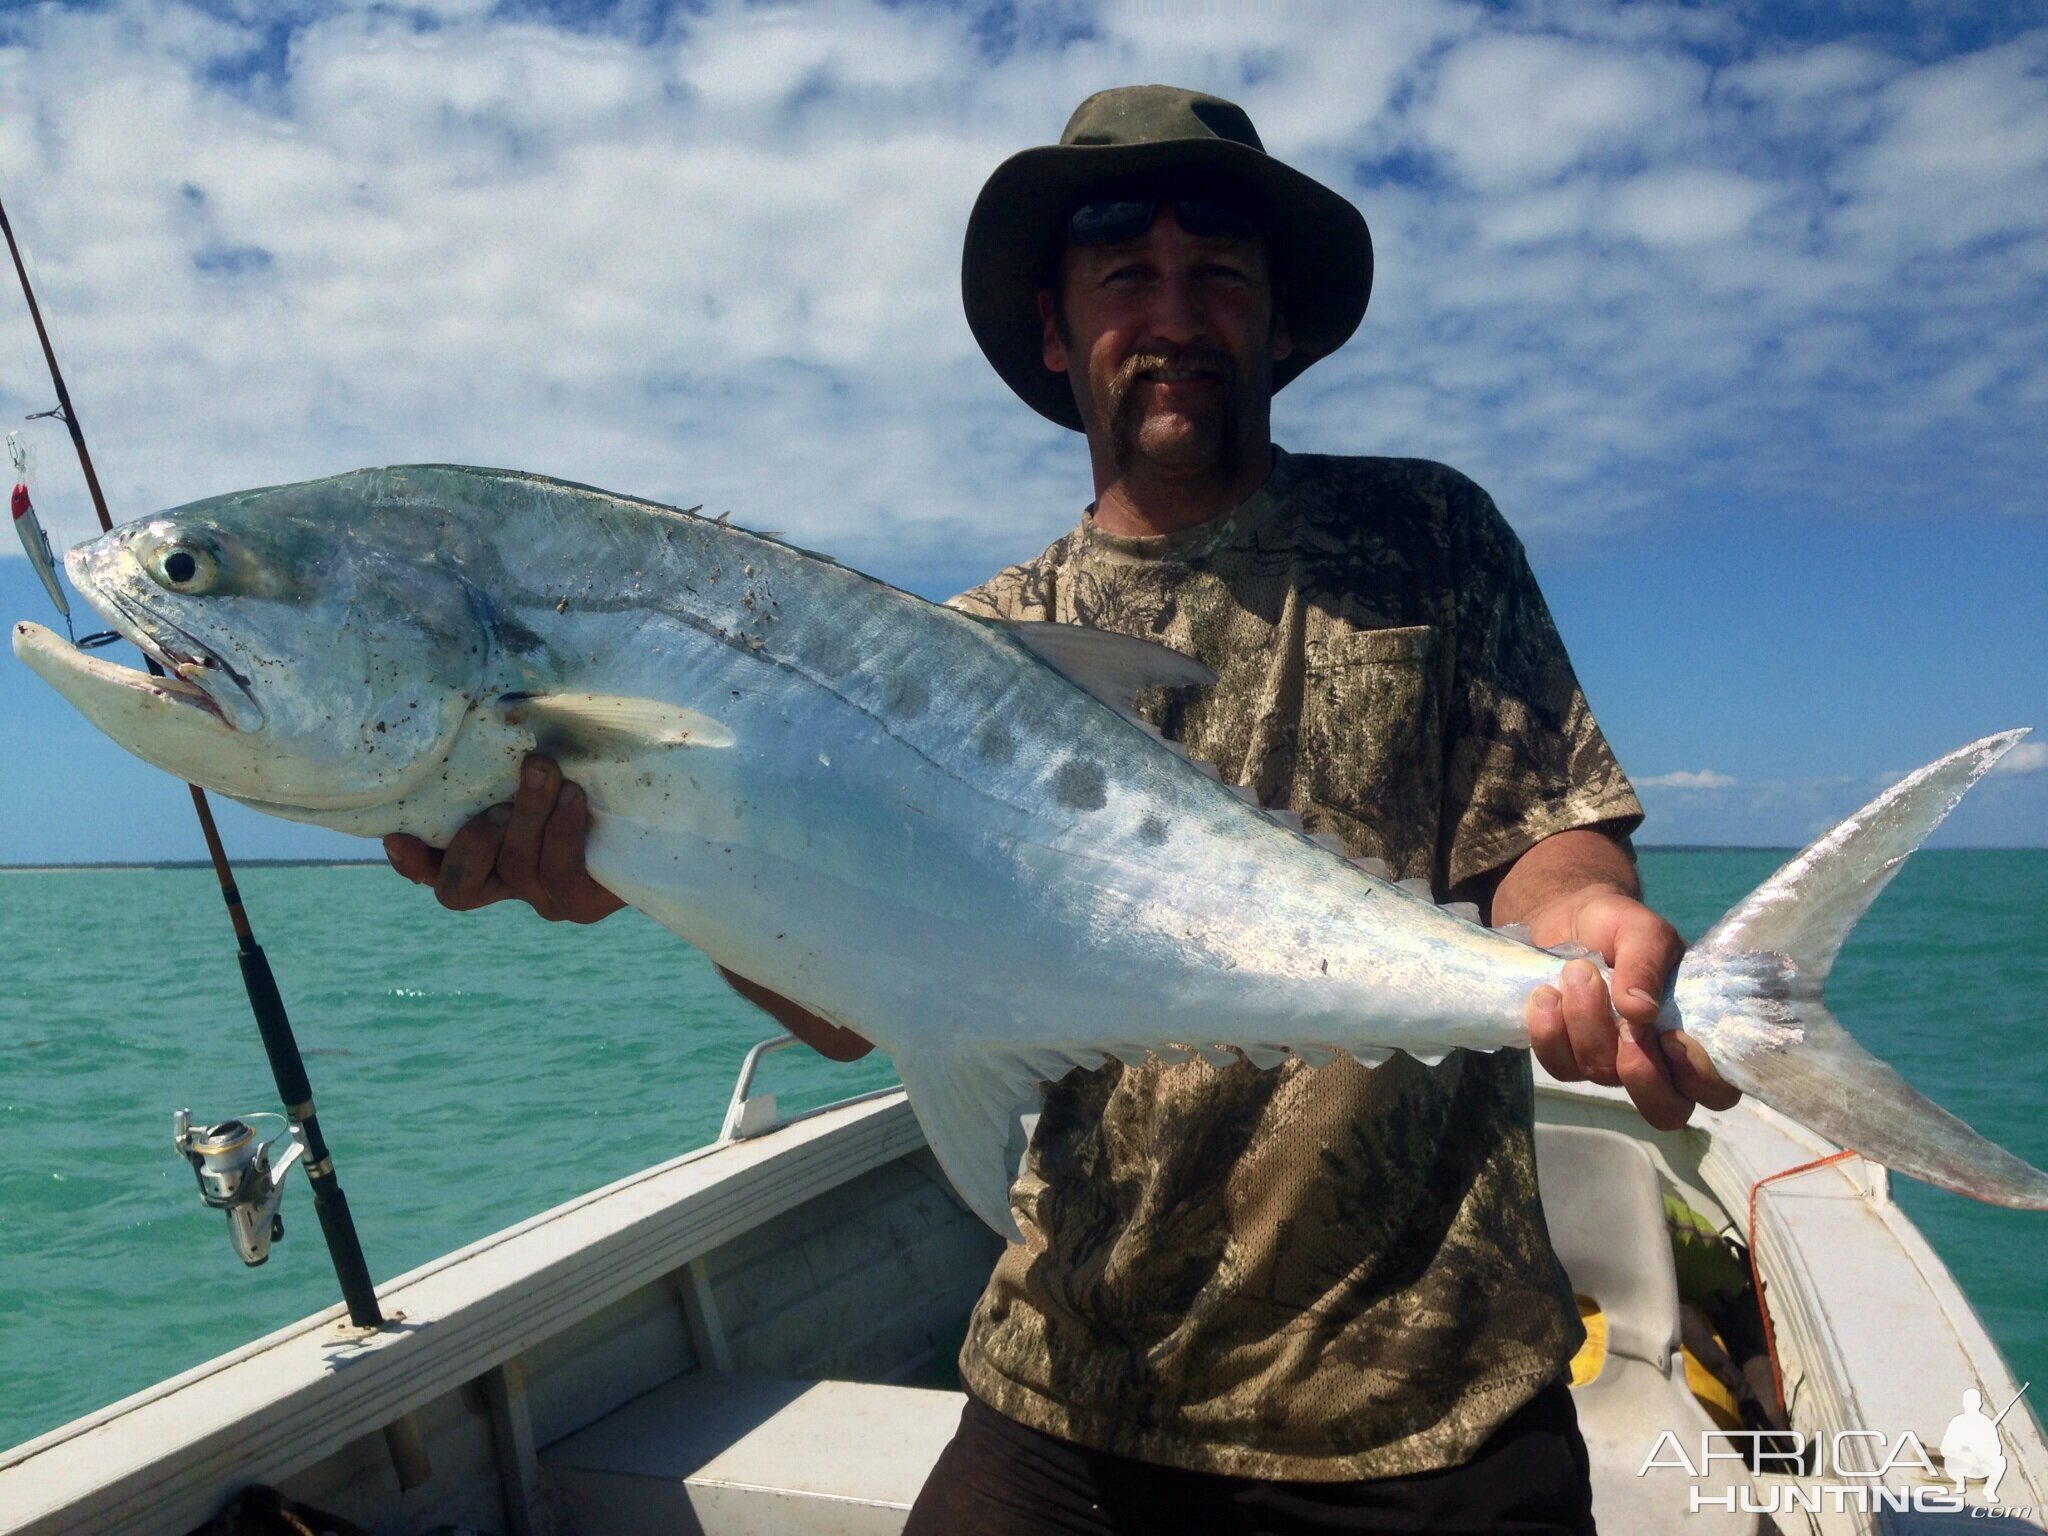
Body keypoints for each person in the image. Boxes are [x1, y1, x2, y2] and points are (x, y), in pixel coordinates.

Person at [386, 85, 1740, 1534]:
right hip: (1078, 1390)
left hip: (1426, 1398)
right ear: (1057, 332)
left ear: (1278, 323)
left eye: (1217, 274)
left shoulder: (1421, 540)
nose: (1173, 313)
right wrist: (637, 860)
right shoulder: (961, 651)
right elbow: (852, 1008)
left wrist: (1586, 919)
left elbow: (1540, 833)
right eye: (1124, 278)